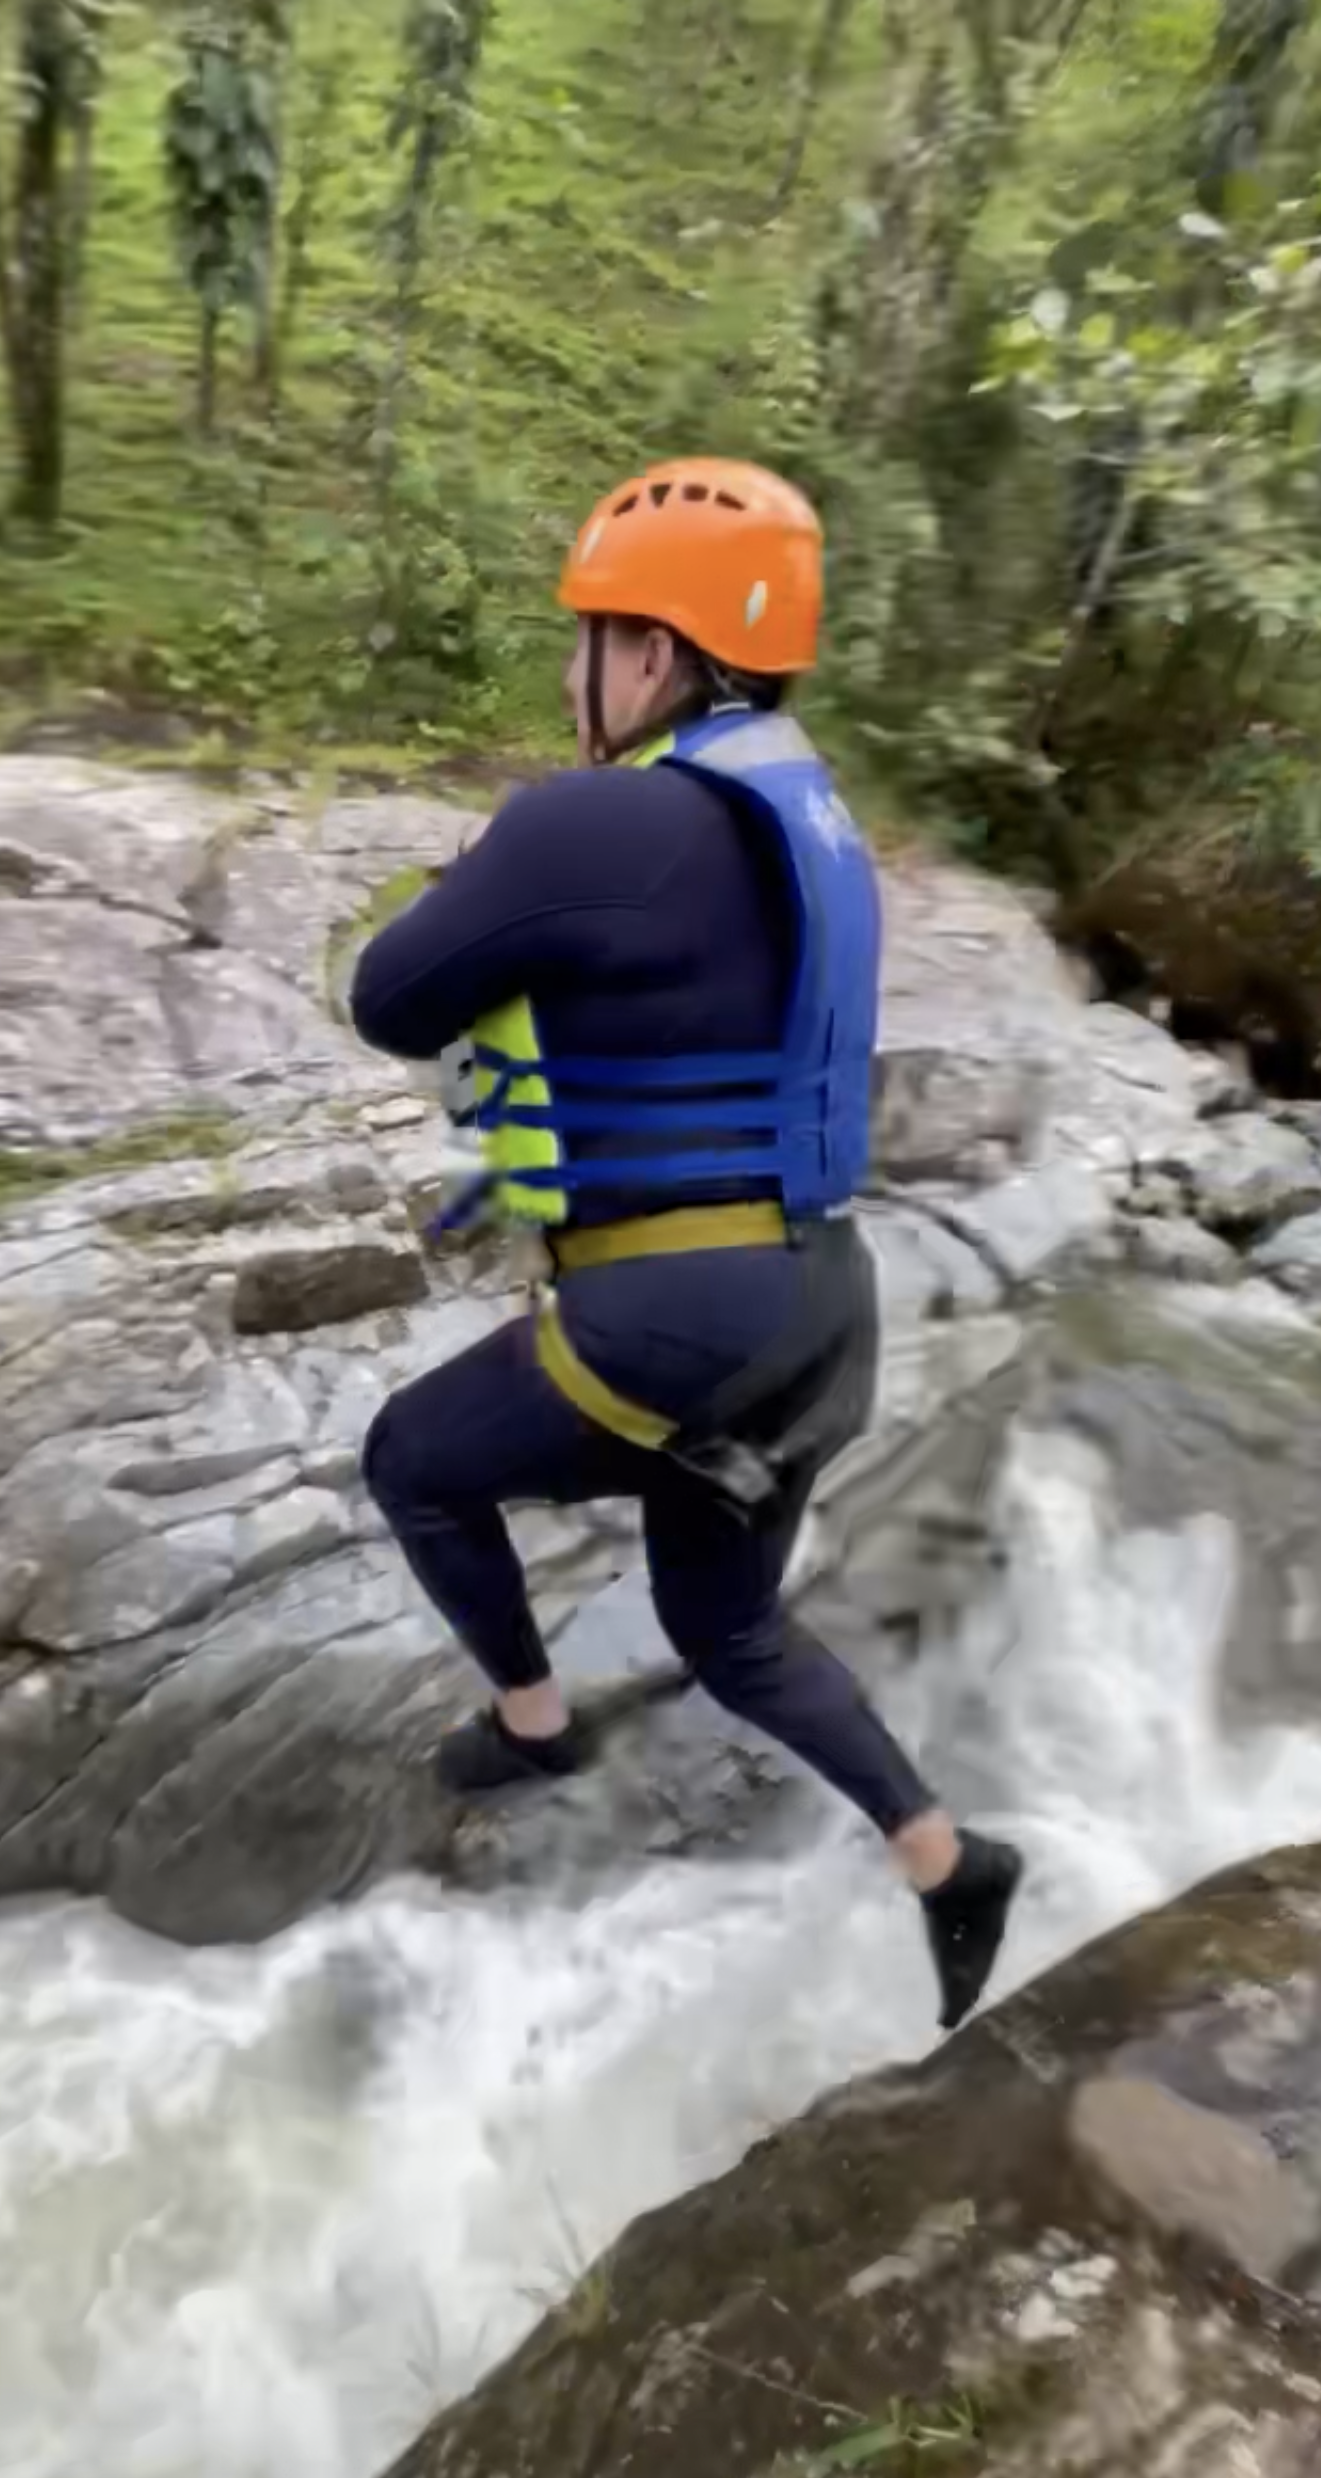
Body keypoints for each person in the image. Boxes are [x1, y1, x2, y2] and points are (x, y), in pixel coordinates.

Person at [352, 456, 1022, 2030]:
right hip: (819, 1301)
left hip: (675, 1314)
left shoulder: (596, 820)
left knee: (411, 1457)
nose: (570, 670)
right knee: (724, 1627)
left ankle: (530, 1722)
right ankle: (943, 1859)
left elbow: (390, 999)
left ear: (650, 653)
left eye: (584, 636)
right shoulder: (817, 824)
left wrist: (487, 872)